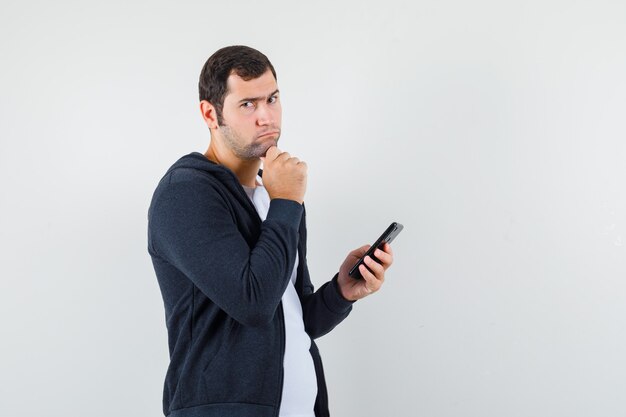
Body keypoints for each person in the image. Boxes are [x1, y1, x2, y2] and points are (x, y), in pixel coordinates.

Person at [147, 45, 394, 417]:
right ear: (210, 114)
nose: (267, 117)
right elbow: (253, 303)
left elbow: (295, 317)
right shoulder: (186, 193)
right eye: (248, 104)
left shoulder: (275, 193)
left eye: (272, 99)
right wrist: (287, 202)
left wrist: (342, 292)